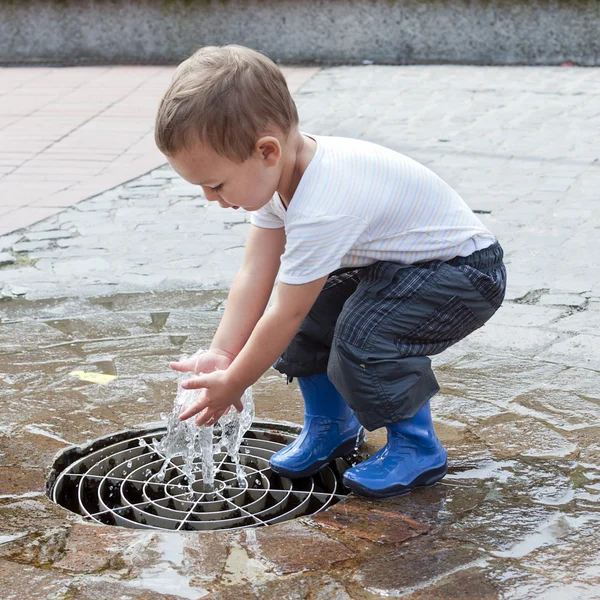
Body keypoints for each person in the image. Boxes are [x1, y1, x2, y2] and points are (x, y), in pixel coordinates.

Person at [155, 45, 506, 499]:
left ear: (266, 151)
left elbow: (283, 312)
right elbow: (255, 275)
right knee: (315, 315)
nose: (208, 197)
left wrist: (236, 382)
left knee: (366, 337)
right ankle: (332, 426)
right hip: (398, 270)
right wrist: (223, 354)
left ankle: (418, 448)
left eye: (215, 184)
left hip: (463, 275)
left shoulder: (323, 203)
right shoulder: (278, 179)